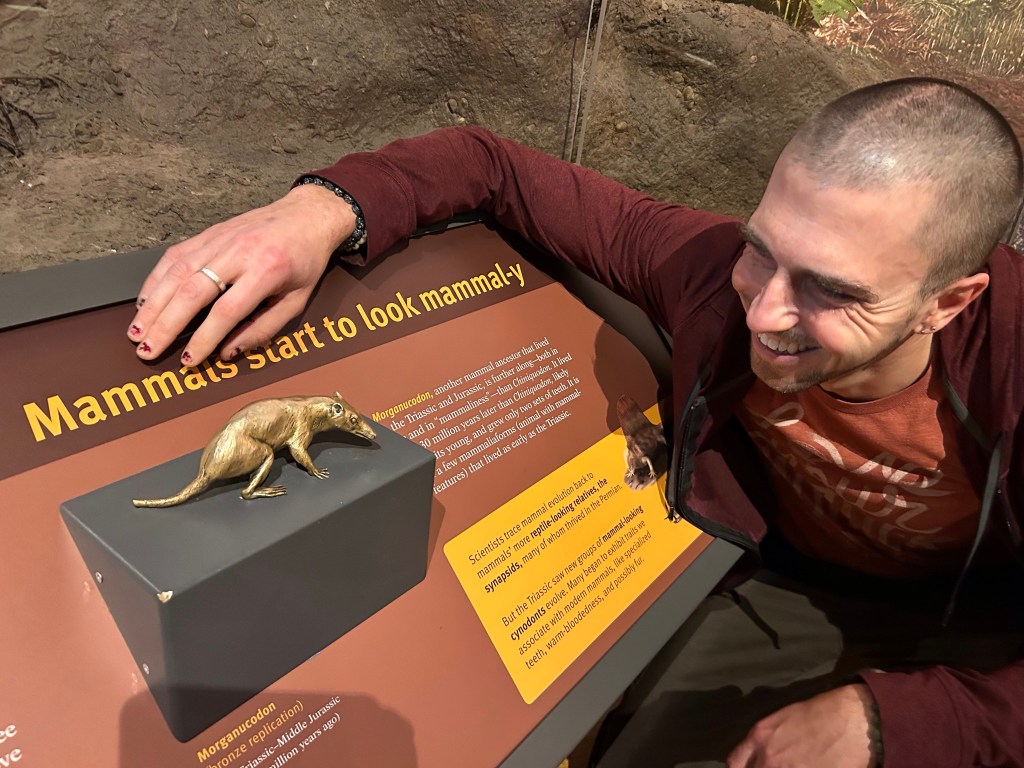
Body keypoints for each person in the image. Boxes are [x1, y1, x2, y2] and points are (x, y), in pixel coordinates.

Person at [126, 78, 1024, 766]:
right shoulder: (712, 274)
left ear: (948, 302)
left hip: (989, 624)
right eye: (763, 251)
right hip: (789, 580)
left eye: (833, 291)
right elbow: (495, 167)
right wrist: (317, 211)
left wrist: (892, 720)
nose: (764, 312)